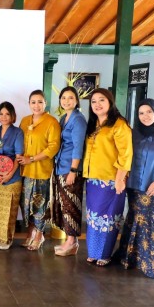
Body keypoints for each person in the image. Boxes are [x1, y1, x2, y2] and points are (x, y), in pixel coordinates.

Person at [115, 98, 154, 278]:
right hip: (135, 184)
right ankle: (129, 258)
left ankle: (151, 265)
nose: (145, 116)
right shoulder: (133, 133)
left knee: (150, 219)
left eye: (149, 112)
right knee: (134, 218)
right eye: (141, 113)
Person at [82, 88, 133, 266]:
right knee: (93, 217)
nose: (97, 104)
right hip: (93, 179)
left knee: (108, 218)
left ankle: (104, 254)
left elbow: (126, 154)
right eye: (93, 101)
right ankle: (94, 252)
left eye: (101, 100)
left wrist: (120, 178)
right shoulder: (94, 124)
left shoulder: (119, 124)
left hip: (111, 180)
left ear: (110, 102)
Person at [17, 90, 61, 251]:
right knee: (25, 204)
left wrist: (32, 158)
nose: (36, 105)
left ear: (45, 103)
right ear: (29, 104)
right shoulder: (24, 120)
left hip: (41, 170)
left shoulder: (51, 122)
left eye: (40, 102)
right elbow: (19, 141)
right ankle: (30, 232)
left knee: (39, 204)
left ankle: (39, 234)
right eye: (33, 102)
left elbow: (53, 147)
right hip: (24, 170)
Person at [52, 87, 87, 256]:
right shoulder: (63, 118)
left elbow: (78, 146)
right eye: (63, 98)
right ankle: (69, 240)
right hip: (61, 166)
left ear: (76, 100)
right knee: (65, 205)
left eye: (70, 98)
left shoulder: (78, 119)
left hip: (70, 169)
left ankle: (72, 242)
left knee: (72, 205)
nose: (66, 101)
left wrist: (74, 170)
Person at [0, 102, 23, 250]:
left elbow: (18, 156)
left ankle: (7, 239)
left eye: (7, 114)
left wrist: (9, 175)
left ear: (12, 116)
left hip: (12, 177)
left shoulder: (17, 132)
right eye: (1, 114)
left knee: (10, 210)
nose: (4, 117)